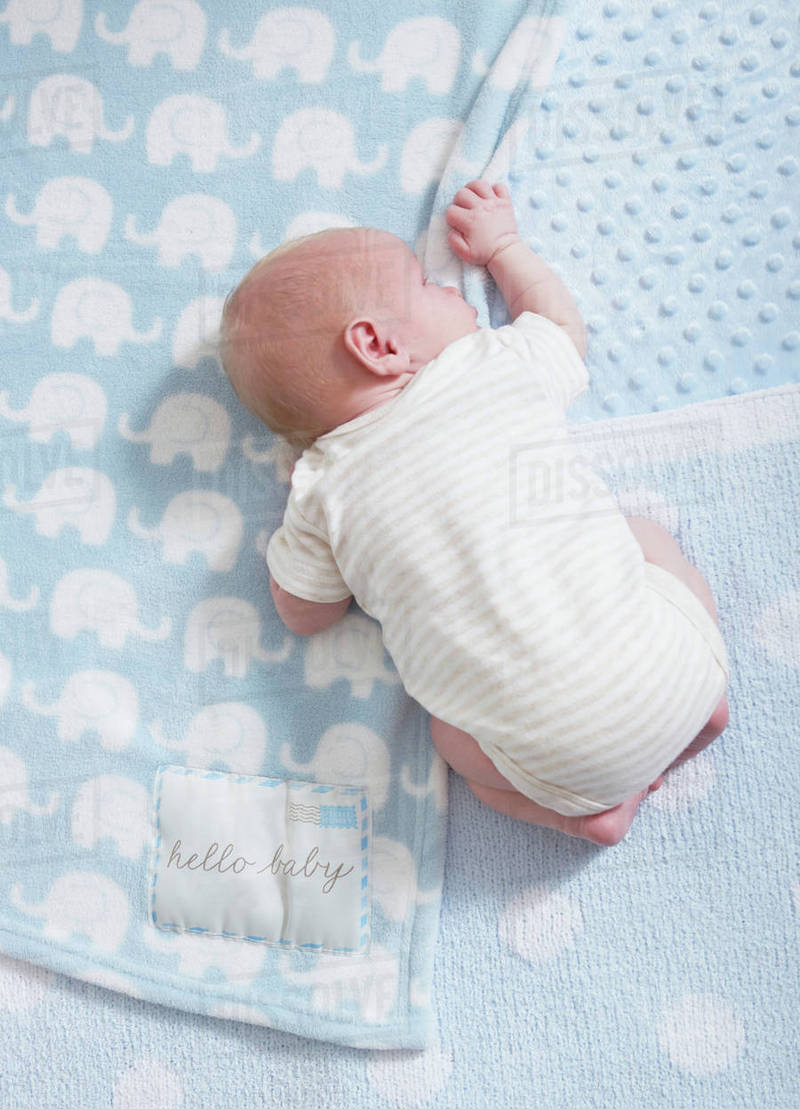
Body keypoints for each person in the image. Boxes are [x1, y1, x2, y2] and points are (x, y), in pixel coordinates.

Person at [219, 179, 729, 846]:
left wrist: (299, 517)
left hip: (563, 768)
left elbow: (303, 615)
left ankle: (589, 816)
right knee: (646, 537)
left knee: (448, 736)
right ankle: (707, 713)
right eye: (428, 287)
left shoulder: (322, 490)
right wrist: (504, 249)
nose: (454, 290)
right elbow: (560, 327)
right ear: (377, 345)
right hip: (681, 672)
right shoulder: (488, 367)